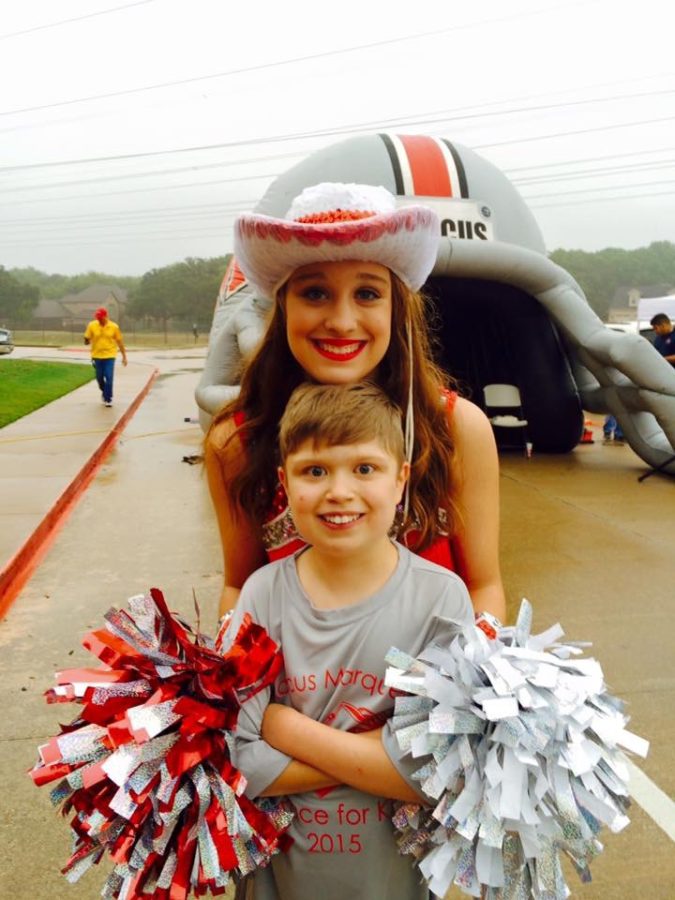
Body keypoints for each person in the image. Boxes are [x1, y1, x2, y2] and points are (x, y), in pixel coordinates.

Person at [204, 182, 505, 623]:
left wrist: (469, 686)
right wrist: (248, 689)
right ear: (283, 305)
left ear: (396, 308)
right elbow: (239, 586)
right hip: (298, 692)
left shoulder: (458, 428)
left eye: (366, 293)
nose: (342, 322)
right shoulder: (235, 441)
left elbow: (484, 586)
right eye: (315, 293)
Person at [221, 381, 474, 900]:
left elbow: (440, 770)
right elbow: (235, 759)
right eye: (315, 471)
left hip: (392, 880)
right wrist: (380, 762)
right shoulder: (262, 595)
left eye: (364, 468)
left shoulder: (439, 600)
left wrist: (283, 727)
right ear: (284, 483)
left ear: (401, 480)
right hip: (278, 882)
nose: (339, 491)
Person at [83, 307, 127, 407]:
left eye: (101, 317)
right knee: (99, 378)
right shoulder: (92, 325)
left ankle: (108, 398)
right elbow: (87, 338)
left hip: (110, 355)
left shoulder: (114, 327)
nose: (99, 319)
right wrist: (86, 340)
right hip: (97, 356)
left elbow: (120, 342)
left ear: (106, 316)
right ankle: (105, 392)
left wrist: (124, 356)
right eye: (98, 317)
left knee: (109, 377)